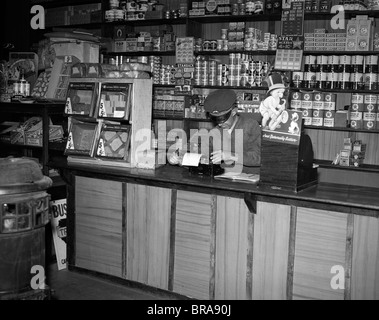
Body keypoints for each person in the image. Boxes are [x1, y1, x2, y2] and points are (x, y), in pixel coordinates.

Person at [169, 89, 262, 174]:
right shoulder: (215, 132)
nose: (220, 124)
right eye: (216, 119)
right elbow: (203, 156)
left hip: (249, 182)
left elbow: (259, 158)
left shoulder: (250, 126)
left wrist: (232, 156)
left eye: (223, 119)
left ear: (234, 112)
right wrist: (182, 159)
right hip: (224, 180)